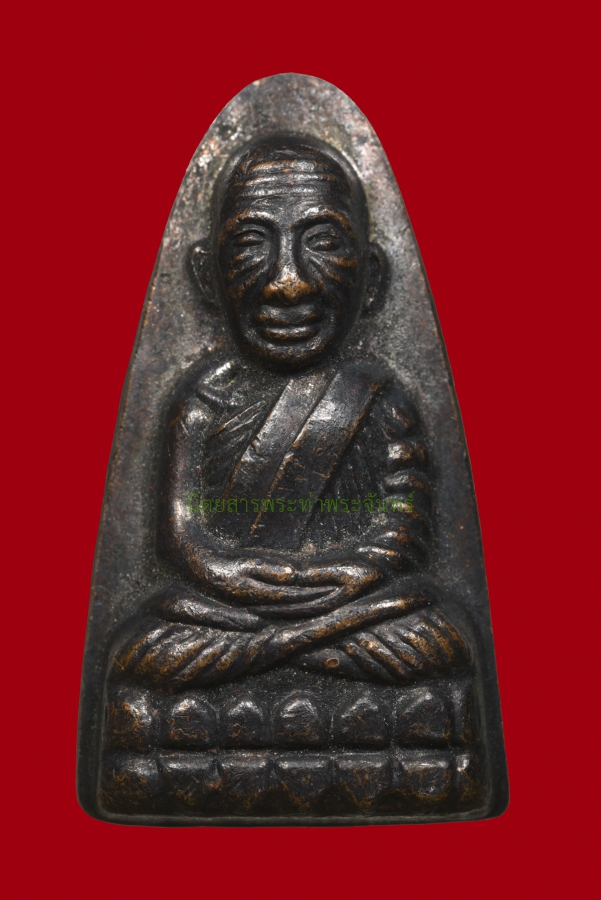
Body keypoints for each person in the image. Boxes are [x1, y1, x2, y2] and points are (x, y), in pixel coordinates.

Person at [109, 137, 471, 692]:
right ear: (207, 276)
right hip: (228, 612)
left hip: (353, 607)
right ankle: (295, 647)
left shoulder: (378, 396)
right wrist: (231, 576)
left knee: (437, 635)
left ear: (372, 277)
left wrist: (349, 577)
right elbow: (179, 538)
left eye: (322, 242)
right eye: (251, 244)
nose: (288, 283)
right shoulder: (203, 397)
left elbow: (405, 528)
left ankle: (281, 650)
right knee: (147, 646)